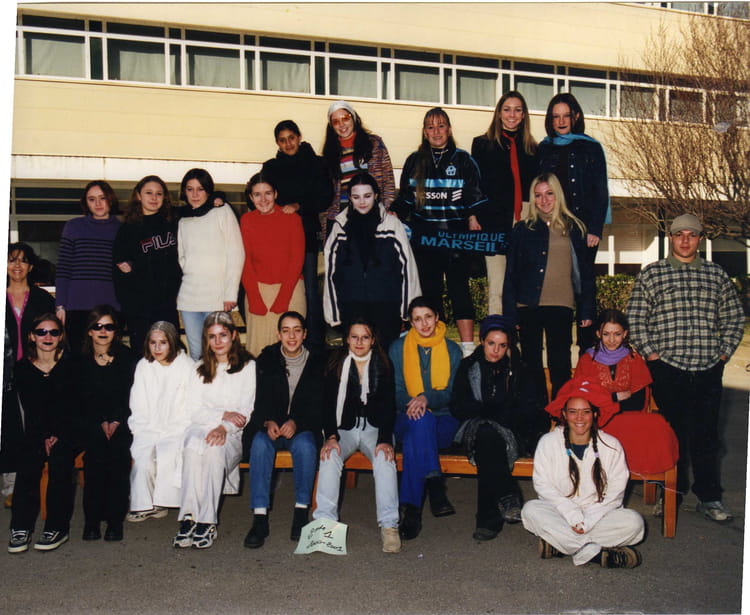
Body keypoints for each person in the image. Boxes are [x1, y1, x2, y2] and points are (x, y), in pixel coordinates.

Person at [627, 213, 744, 523]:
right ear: (671, 238)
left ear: (700, 239)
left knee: (706, 436)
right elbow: (636, 318)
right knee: (670, 434)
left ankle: (710, 497)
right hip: (668, 368)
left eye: (692, 235)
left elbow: (734, 318)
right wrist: (652, 356)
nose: (685, 240)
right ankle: (670, 495)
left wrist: (722, 354)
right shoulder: (653, 274)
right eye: (679, 234)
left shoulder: (715, 274)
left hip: (707, 368)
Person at [391, 107, 486, 355]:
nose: (436, 131)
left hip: (455, 238)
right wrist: (394, 212)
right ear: (424, 132)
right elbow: (406, 199)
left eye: (441, 126)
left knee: (459, 291)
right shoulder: (414, 161)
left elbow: (475, 196)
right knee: (429, 293)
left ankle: (467, 348)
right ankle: (433, 348)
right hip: (425, 239)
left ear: (449, 129)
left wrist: (473, 218)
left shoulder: (464, 160)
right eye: (431, 127)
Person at [521, 377, 645, 568]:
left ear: (594, 414)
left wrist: (587, 521)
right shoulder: (548, 442)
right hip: (562, 513)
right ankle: (595, 554)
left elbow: (615, 494)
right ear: (564, 414)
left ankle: (561, 545)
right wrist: (573, 516)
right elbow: (543, 486)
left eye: (586, 412)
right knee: (531, 510)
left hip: (600, 515)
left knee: (634, 522)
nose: (579, 418)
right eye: (573, 412)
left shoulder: (611, 445)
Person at [502, 173, 595, 403]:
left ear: (558, 195)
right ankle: (537, 415)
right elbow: (511, 273)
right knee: (531, 365)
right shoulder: (522, 230)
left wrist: (586, 309)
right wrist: (510, 313)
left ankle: (561, 412)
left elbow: (586, 274)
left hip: (561, 306)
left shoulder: (575, 228)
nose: (544, 200)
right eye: (538, 195)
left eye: (549, 194)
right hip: (527, 305)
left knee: (560, 364)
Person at [314, 318, 400, 553]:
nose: (359, 342)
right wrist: (331, 436)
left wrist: (385, 439)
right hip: (345, 428)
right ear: (347, 339)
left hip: (374, 428)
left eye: (365, 337)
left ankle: (389, 526)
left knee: (384, 459)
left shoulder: (383, 364)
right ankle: (325, 525)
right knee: (329, 456)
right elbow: (327, 404)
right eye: (354, 337)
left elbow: (389, 406)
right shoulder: (336, 363)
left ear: (372, 340)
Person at [173, 311, 255, 549]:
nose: (218, 342)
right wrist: (222, 415)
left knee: (214, 450)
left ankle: (207, 520)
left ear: (233, 336)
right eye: (212, 337)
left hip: (231, 432)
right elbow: (193, 410)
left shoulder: (248, 367)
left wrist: (223, 426)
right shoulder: (199, 368)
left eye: (223, 335)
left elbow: (245, 411)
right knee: (192, 447)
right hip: (200, 427)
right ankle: (188, 517)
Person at [536, 93, 609, 351]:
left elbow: (601, 191)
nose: (561, 121)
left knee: (583, 284)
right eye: (556, 116)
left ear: (576, 116)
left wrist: (595, 228)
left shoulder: (591, 147)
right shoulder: (543, 148)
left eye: (566, 115)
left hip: (583, 226)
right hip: (553, 226)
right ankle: (560, 346)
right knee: (558, 285)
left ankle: (587, 348)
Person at [244, 312, 323, 548]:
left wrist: (297, 422)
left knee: (306, 446)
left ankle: (301, 511)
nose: (292, 336)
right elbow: (258, 400)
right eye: (286, 331)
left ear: (305, 334)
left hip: (302, 427)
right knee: (259, 444)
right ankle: (259, 517)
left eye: (297, 330)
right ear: (279, 334)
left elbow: (320, 404)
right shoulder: (266, 359)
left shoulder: (318, 360)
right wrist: (268, 421)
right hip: (272, 426)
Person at [388, 296, 463, 540]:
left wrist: (426, 399)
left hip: (444, 420)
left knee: (417, 436)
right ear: (410, 322)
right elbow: (395, 390)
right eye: (417, 319)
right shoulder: (398, 348)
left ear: (437, 317)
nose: (424, 324)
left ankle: (412, 510)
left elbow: (451, 393)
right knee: (420, 423)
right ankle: (434, 483)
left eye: (428, 317)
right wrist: (414, 403)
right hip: (406, 416)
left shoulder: (452, 350)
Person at [574, 309, 678, 476]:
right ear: (598, 333)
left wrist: (604, 400)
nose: (611, 340)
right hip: (596, 420)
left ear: (625, 334)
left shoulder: (634, 359)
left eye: (617, 334)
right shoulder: (587, 360)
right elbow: (584, 399)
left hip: (627, 418)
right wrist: (616, 397)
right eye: (606, 334)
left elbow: (637, 402)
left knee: (658, 425)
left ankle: (650, 476)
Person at [323, 172, 421, 349]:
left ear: (376, 195)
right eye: (356, 197)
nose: (362, 202)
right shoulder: (339, 228)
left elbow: (408, 270)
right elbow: (331, 275)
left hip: (387, 308)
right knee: (356, 360)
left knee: (385, 359)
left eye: (367, 196)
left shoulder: (392, 225)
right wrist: (334, 316)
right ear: (349, 198)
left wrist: (408, 311)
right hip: (351, 308)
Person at [450, 315, 525, 541]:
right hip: (473, 429)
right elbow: (458, 406)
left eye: (502, 345)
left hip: (509, 430)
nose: (496, 350)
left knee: (488, 440)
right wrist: (492, 412)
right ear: (482, 341)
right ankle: (508, 493)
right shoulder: (468, 366)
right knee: (485, 434)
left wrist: (488, 412)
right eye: (491, 343)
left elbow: (523, 408)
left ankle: (487, 518)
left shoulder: (516, 368)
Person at [261, 120, 333, 352]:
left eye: (291, 138)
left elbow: (325, 196)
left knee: (309, 291)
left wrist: (299, 206)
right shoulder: (270, 168)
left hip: (306, 236)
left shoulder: (317, 163)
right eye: (282, 140)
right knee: (282, 290)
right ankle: (283, 342)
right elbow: (257, 193)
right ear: (277, 143)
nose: (288, 143)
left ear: (299, 137)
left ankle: (315, 345)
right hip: (278, 240)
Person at [7, 314, 77, 553]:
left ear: (61, 336)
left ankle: (57, 527)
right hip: (38, 430)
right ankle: (20, 527)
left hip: (68, 428)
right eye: (41, 332)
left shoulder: (71, 365)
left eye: (54, 332)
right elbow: (31, 410)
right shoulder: (22, 369)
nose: (48, 337)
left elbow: (75, 407)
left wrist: (57, 433)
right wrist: (45, 435)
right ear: (31, 336)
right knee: (28, 459)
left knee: (60, 458)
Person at [471, 91, 538, 314]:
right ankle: (496, 331)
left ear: (524, 115)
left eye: (518, 110)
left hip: (525, 216)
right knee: (498, 283)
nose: (512, 115)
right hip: (495, 219)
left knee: (523, 281)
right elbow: (474, 185)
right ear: (499, 113)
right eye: (507, 109)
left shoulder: (533, 148)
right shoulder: (482, 144)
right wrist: (473, 216)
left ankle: (522, 330)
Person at [3, 243, 56, 498]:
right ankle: (11, 482)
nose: (17, 265)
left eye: (23, 260)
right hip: (5, 372)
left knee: (33, 425)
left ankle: (32, 479)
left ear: (31, 266)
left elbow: (53, 335)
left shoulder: (42, 298)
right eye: (12, 260)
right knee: (9, 425)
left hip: (34, 370)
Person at [127, 321, 194, 522]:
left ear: (172, 343)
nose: (157, 348)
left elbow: (190, 405)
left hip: (177, 428)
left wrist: (174, 429)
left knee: (167, 453)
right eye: (153, 343)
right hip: (149, 426)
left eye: (163, 343)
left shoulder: (187, 366)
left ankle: (161, 502)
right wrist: (142, 428)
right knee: (143, 458)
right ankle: (144, 503)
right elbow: (138, 402)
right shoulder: (144, 366)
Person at [78, 305, 134, 542]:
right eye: (97, 326)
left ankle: (114, 520)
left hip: (123, 420)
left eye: (108, 327)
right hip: (91, 421)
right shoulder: (80, 359)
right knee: (95, 455)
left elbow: (131, 395)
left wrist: (117, 419)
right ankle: (92, 520)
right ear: (89, 331)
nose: (103, 331)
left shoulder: (127, 357)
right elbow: (81, 398)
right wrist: (101, 420)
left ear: (115, 331)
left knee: (118, 456)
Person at [176, 168, 244, 360]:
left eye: (200, 189)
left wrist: (230, 293)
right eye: (190, 189)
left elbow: (236, 253)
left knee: (220, 353)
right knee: (196, 354)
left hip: (217, 298)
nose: (195, 194)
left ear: (208, 191)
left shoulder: (222, 211)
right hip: (189, 299)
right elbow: (182, 257)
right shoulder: (183, 219)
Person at [114, 175, 182, 356]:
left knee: (170, 354)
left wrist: (219, 198)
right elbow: (120, 271)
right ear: (138, 196)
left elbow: (198, 207)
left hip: (167, 305)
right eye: (148, 193)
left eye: (159, 194)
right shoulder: (128, 229)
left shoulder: (173, 222)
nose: (154, 198)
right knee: (143, 356)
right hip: (139, 310)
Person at [240, 173, 306, 358]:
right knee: (258, 350)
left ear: (276, 194)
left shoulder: (292, 218)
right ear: (251, 197)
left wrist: (283, 298)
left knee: (290, 348)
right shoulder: (246, 220)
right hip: (258, 290)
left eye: (267, 193)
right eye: (257, 194)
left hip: (290, 288)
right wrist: (254, 297)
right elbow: (244, 261)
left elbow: (296, 260)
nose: (263, 199)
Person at [55, 180, 122, 355]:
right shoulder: (73, 227)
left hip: (111, 306)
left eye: (102, 198)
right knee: (78, 359)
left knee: (108, 357)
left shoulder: (122, 229)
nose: (98, 203)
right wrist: (60, 305)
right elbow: (63, 268)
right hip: (77, 306)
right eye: (92, 199)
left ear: (111, 199)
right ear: (86, 203)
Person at [322, 100, 396, 233]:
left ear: (354, 118)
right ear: (331, 126)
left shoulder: (374, 144)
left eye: (345, 118)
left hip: (372, 216)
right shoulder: (329, 153)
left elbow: (388, 180)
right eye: (335, 121)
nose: (341, 124)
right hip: (342, 218)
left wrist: (387, 209)